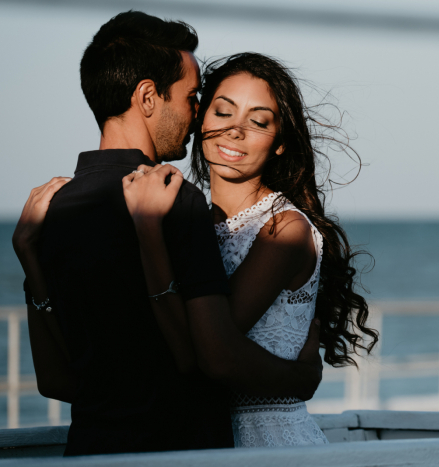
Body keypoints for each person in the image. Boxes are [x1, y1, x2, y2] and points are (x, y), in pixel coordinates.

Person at [12, 12, 322, 456]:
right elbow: (202, 360)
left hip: (89, 453)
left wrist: (29, 261)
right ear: (147, 96)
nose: (196, 115)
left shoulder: (52, 212)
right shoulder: (175, 202)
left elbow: (56, 381)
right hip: (180, 451)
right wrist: (300, 378)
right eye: (193, 97)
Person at [123, 52, 379, 448]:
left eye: (258, 121)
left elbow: (207, 352)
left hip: (271, 441)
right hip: (205, 437)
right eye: (223, 112)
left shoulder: (284, 229)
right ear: (200, 119)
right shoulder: (191, 221)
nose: (236, 130)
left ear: (279, 144)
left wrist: (148, 235)